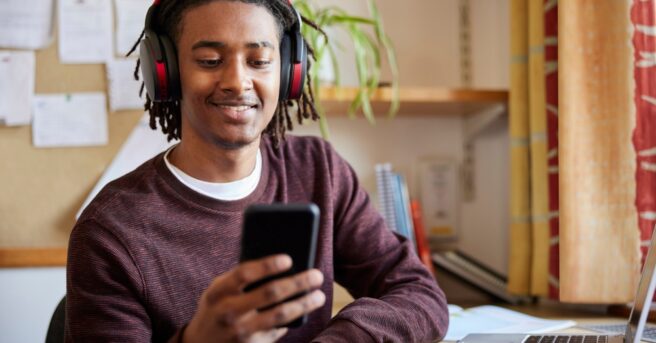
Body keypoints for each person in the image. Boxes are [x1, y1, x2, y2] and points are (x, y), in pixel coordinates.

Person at [65, 0, 449, 342]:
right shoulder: (110, 230)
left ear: (288, 73)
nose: (236, 81)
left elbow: (418, 293)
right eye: (210, 61)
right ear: (165, 72)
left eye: (259, 61)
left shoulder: (319, 171)